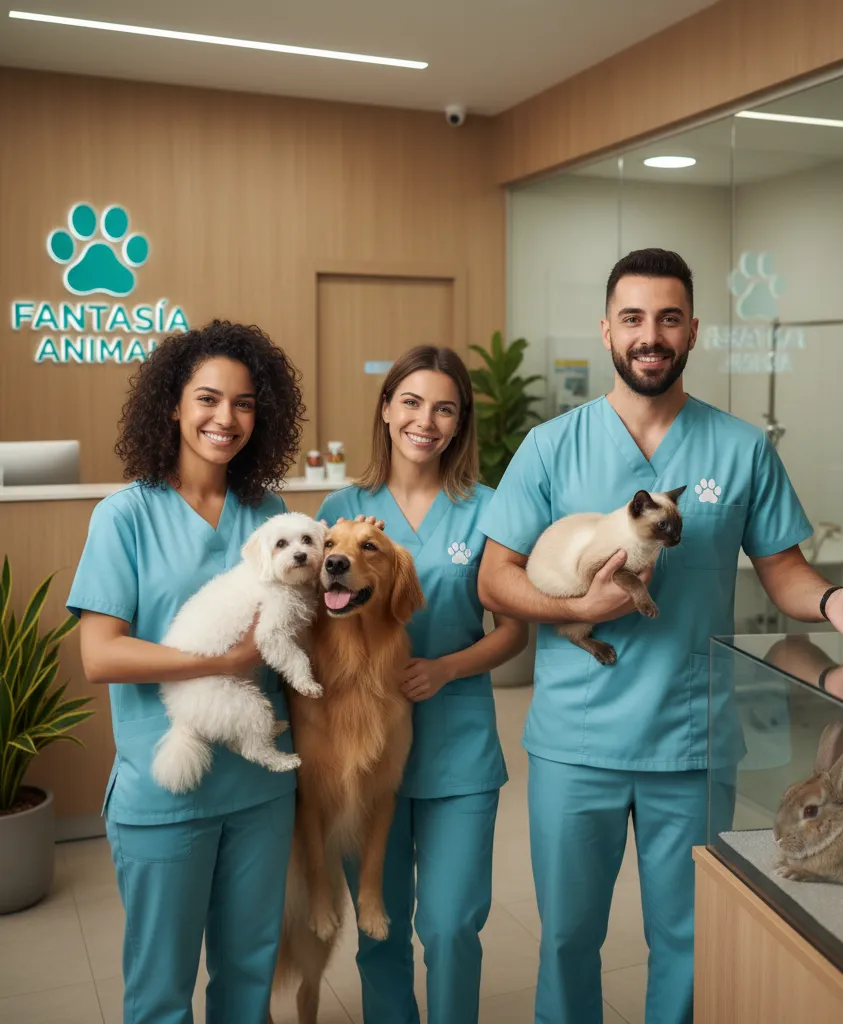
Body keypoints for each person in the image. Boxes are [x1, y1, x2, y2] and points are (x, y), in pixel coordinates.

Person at [476, 248, 843, 1024]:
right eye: (635, 318)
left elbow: (784, 572)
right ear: (606, 329)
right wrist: (579, 612)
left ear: (693, 331)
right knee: (568, 939)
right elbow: (494, 578)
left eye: (669, 318)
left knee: (689, 939)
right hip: (577, 742)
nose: (651, 335)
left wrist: (835, 599)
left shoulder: (740, 448)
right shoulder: (551, 447)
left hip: (693, 742)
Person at [67, 320, 307, 1024]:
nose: (224, 419)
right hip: (163, 796)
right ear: (173, 404)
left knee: (247, 980)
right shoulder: (125, 517)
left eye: (243, 404)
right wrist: (222, 660)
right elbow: (100, 654)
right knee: (161, 990)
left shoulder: (271, 518)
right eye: (207, 399)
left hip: (259, 793)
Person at [317, 345, 528, 1024]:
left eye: (444, 408)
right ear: (385, 410)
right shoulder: (342, 512)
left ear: (460, 422)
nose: (425, 421)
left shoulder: (489, 508)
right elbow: (310, 622)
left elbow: (514, 631)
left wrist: (447, 667)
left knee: (451, 925)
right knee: (379, 931)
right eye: (410, 402)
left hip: (456, 748)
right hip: (364, 752)